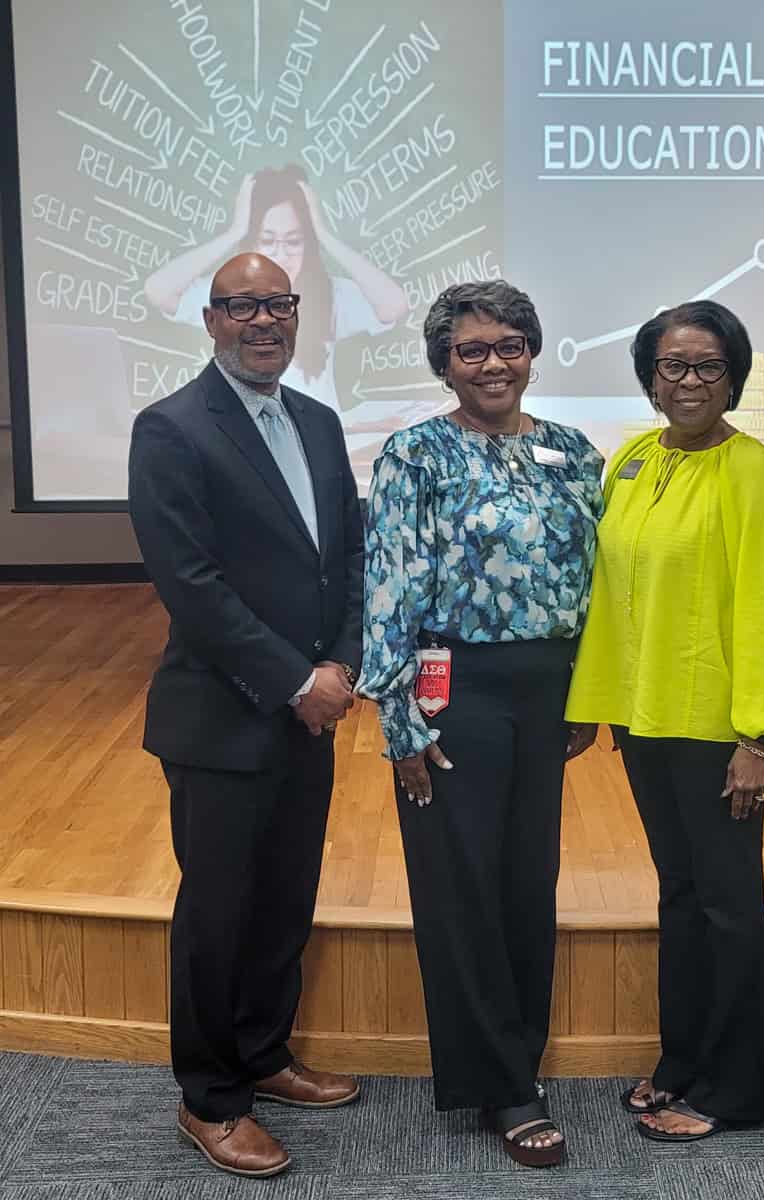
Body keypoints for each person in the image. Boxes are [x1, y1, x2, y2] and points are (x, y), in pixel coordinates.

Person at [128, 252, 365, 1179]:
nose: (263, 321)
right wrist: (296, 681)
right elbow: (191, 587)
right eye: (243, 307)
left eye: (279, 304)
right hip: (221, 720)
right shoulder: (172, 428)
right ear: (212, 319)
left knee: (283, 900)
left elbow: (344, 554)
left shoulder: (317, 421)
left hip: (309, 711)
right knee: (218, 912)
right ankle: (211, 1096)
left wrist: (340, 662)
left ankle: (264, 1055)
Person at [357, 280, 603, 1167]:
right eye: (472, 350)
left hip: (547, 693)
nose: (493, 362)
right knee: (460, 887)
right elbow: (387, 587)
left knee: (526, 881)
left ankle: (517, 1057)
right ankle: (501, 1084)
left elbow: (593, 585)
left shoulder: (574, 452)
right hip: (449, 690)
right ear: (444, 364)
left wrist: (589, 694)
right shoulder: (413, 455)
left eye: (509, 344)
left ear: (533, 351)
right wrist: (401, 722)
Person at [565, 300, 764, 1143]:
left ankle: (743, 1088)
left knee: (728, 903)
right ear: (649, 377)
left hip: (717, 730)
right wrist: (593, 705)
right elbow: (610, 592)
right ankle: (684, 1061)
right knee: (681, 897)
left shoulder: (752, 475)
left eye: (709, 366)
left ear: (735, 378)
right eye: (673, 366)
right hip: (646, 719)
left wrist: (759, 737)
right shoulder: (634, 458)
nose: (690, 381)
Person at [144, 165, 437, 432]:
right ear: (213, 320)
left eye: (294, 241)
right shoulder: (227, 288)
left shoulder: (329, 294)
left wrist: (324, 235)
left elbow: (394, 305)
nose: (281, 253)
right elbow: (158, 290)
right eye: (267, 240)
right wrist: (234, 232)